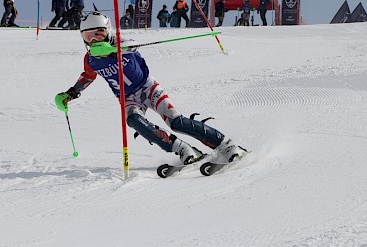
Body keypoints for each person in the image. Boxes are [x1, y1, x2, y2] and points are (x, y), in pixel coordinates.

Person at [54, 11, 247, 165]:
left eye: (99, 33)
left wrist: (113, 50)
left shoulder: (121, 43)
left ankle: (226, 145)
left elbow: (133, 45)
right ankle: (182, 149)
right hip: (128, 97)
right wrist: (71, 93)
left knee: (176, 122)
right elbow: (87, 76)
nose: (94, 40)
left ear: (109, 31)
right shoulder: (91, 59)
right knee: (134, 121)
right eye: (89, 36)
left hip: (148, 88)